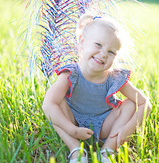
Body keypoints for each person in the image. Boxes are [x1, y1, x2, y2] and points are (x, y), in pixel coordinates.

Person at [42, 14, 151, 163]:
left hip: (105, 126)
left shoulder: (114, 77)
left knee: (132, 103)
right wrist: (72, 129)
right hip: (72, 122)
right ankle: (76, 150)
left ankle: (107, 151)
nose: (103, 54)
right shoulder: (70, 74)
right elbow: (47, 105)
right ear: (82, 42)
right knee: (55, 106)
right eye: (98, 45)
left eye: (111, 52)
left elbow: (145, 104)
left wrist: (127, 129)